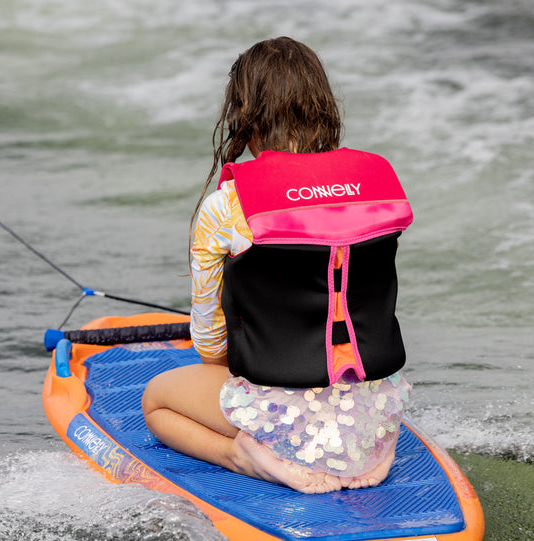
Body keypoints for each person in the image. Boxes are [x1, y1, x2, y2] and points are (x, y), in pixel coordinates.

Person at [141, 37, 413, 494]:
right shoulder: (377, 185)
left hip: (284, 426)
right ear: (325, 108)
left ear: (245, 119)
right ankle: (367, 458)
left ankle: (242, 456)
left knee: (156, 401)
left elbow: (210, 344)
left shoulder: (225, 206)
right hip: (374, 420)